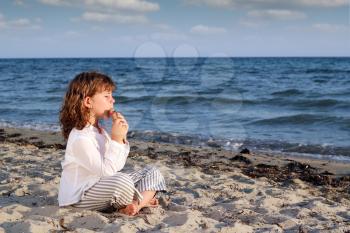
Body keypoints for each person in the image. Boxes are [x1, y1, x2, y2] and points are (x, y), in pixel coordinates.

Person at [57, 71, 166, 216]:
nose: (112, 100)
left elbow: (116, 166)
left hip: (103, 185)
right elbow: (107, 171)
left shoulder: (100, 131)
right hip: (79, 197)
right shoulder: (80, 137)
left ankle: (135, 205)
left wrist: (120, 139)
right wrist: (116, 138)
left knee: (152, 172)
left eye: (112, 96)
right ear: (88, 102)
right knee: (123, 181)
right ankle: (142, 200)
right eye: (107, 96)